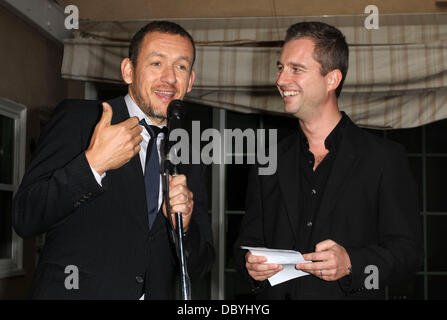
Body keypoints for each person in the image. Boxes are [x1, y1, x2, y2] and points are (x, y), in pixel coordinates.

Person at [12, 21, 214, 299]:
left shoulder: (189, 152)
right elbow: (26, 216)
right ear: (128, 71)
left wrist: (185, 226)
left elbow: (200, 265)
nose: (169, 78)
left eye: (180, 67)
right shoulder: (80, 118)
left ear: (190, 81)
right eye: (156, 63)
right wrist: (92, 165)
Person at [235, 21, 423, 299]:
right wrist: (250, 265)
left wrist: (351, 263)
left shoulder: (383, 159)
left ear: (332, 80)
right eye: (280, 68)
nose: (280, 80)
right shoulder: (268, 158)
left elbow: (408, 255)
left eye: (295, 69)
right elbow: (247, 244)